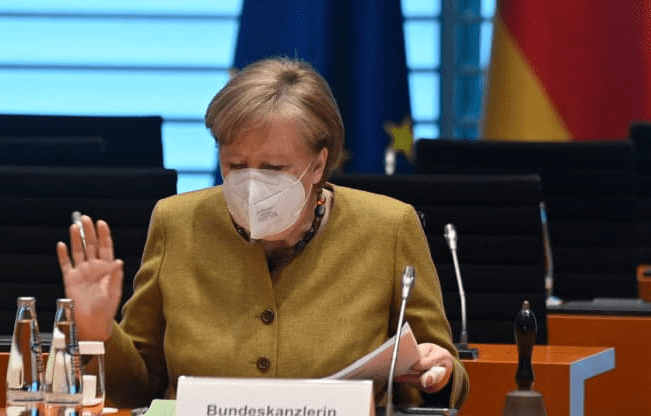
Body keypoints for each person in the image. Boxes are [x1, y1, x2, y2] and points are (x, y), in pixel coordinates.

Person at [56, 57, 469, 409]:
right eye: (236, 165)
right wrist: (99, 332)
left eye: (273, 169)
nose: (253, 186)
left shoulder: (388, 227)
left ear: (319, 165)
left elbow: (445, 378)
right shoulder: (177, 222)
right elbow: (140, 388)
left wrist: (438, 373)